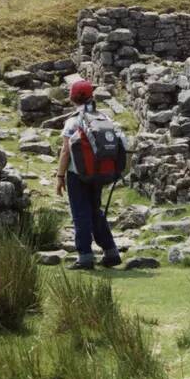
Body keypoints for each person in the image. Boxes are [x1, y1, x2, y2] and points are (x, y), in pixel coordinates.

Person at [56, 79, 123, 270]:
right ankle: (111, 252)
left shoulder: (73, 121)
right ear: (91, 97)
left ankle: (85, 256)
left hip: (77, 175)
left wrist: (60, 177)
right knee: (95, 212)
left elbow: (66, 152)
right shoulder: (103, 118)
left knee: (80, 214)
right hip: (99, 173)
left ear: (72, 98)